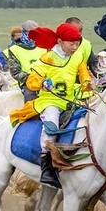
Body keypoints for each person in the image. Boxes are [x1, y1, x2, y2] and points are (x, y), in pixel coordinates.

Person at [11, 23, 95, 188]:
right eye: (71, 43)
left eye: (77, 43)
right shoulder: (48, 58)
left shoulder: (78, 57)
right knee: (51, 126)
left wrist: (88, 83)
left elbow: (84, 75)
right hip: (50, 101)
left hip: (72, 101)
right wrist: (42, 83)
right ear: (60, 41)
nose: (75, 46)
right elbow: (31, 79)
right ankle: (46, 165)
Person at [4, 20, 44, 102]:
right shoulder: (14, 50)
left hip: (46, 82)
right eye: (31, 33)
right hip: (27, 84)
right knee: (31, 104)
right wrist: (32, 78)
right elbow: (15, 72)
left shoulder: (44, 47)